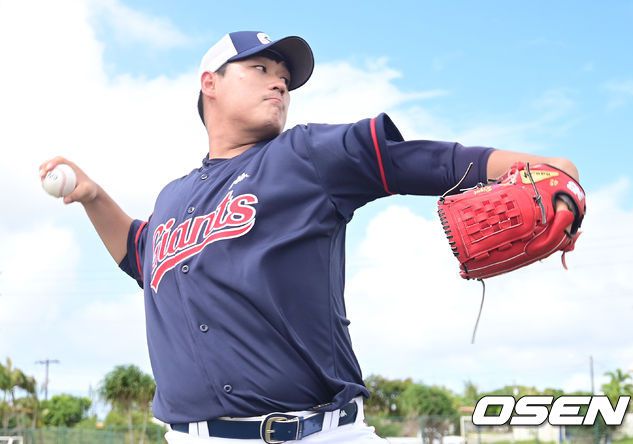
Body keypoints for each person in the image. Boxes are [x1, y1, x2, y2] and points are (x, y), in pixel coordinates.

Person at [39, 31, 580, 443]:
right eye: (260, 68)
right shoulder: (173, 199)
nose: (279, 82)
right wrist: (93, 196)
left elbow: (422, 159)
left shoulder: (305, 156)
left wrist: (543, 166)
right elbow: (140, 254)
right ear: (210, 83)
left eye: (285, 77)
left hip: (318, 433)